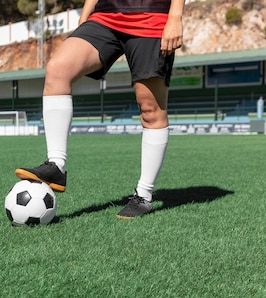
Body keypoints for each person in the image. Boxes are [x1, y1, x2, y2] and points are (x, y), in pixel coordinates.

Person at [15, 0, 184, 219]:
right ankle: (56, 165)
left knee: (151, 109)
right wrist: (85, 16)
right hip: (105, 16)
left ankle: (143, 195)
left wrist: (175, 17)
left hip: (150, 17)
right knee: (58, 69)